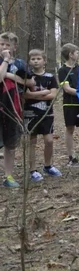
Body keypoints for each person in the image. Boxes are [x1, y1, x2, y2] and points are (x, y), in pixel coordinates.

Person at [23, 49, 61, 182]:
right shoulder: (27, 77)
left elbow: (53, 95)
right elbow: (25, 95)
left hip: (47, 113)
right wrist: (42, 93)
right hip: (30, 113)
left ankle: (48, 165)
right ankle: (32, 170)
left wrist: (35, 96)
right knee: (31, 141)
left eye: (38, 58)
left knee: (49, 140)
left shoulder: (50, 77)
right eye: (33, 59)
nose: (35, 61)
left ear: (44, 61)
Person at [1, 32, 30, 188]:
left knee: (10, 144)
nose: (5, 47)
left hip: (13, 107)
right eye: (2, 44)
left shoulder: (20, 63)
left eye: (8, 44)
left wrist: (10, 76)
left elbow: (28, 81)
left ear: (14, 46)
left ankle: (8, 176)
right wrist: (5, 60)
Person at [58, 43, 79, 167]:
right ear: (70, 54)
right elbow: (67, 89)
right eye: (77, 52)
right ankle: (71, 157)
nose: (78, 54)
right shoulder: (62, 70)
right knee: (70, 129)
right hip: (70, 104)